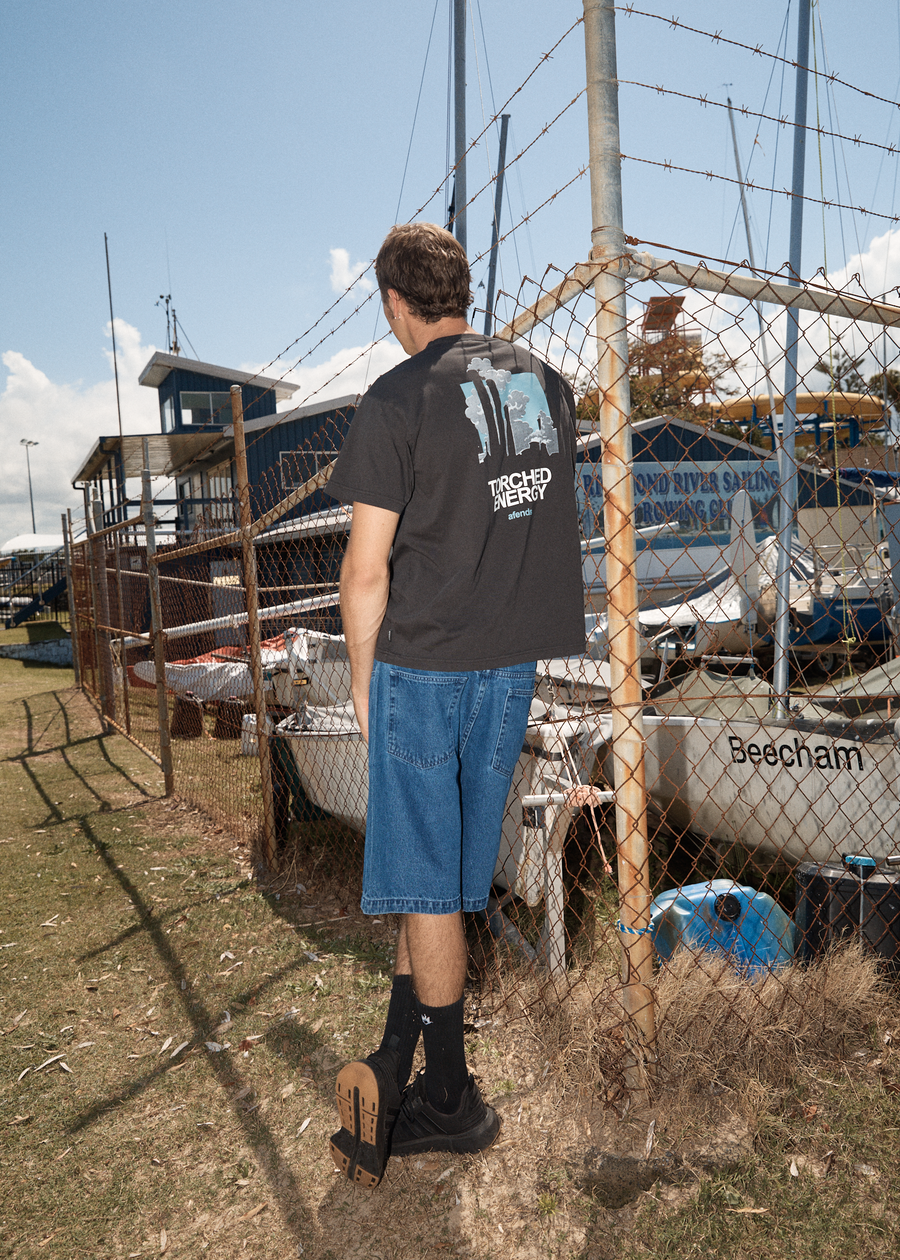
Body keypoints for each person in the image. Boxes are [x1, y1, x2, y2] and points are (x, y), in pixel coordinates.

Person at [324, 222, 584, 1187]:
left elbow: (363, 571)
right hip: (509, 665)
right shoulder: (544, 384)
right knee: (435, 871)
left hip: (424, 667)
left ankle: (451, 1100)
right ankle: (401, 1047)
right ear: (462, 292)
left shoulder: (397, 397)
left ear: (397, 304)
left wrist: (360, 686)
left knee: (427, 881)